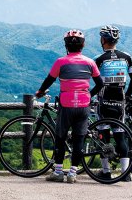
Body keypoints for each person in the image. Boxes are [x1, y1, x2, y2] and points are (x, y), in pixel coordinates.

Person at [35, 29, 103, 183]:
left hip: (66, 105)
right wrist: (88, 95)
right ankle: (72, 174)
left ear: (65, 45)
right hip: (83, 106)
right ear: (83, 45)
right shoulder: (90, 62)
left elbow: (49, 79)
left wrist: (40, 92)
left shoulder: (61, 62)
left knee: (60, 138)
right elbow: (100, 84)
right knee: (79, 139)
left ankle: (58, 172)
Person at [91, 24, 132, 181]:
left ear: (103, 39)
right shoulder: (127, 57)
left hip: (103, 102)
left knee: (103, 136)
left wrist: (88, 96)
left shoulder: (99, 60)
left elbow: (97, 84)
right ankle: (125, 174)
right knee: (120, 136)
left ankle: (106, 172)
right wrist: (127, 95)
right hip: (120, 101)